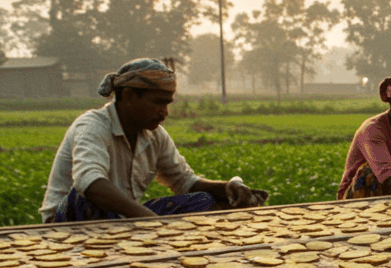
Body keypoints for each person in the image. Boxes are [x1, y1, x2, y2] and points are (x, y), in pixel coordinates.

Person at [39, 58, 267, 223]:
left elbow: (184, 180)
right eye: (158, 102)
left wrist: (227, 188)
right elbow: (91, 182)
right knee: (85, 197)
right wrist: (150, 220)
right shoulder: (92, 125)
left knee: (203, 200)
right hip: (67, 221)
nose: (165, 112)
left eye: (167, 104)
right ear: (129, 96)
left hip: (119, 220)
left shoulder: (155, 135)